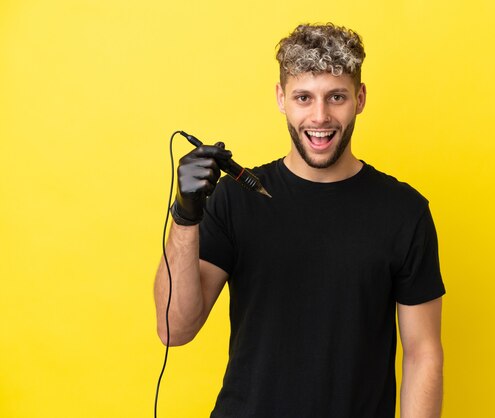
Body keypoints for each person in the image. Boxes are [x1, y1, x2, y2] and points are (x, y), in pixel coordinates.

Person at [154, 23, 446, 418]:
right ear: (281, 98)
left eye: (336, 97)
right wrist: (186, 216)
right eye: (304, 97)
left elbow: (423, 354)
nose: (320, 117)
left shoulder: (404, 211)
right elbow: (174, 329)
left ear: (359, 99)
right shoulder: (235, 199)